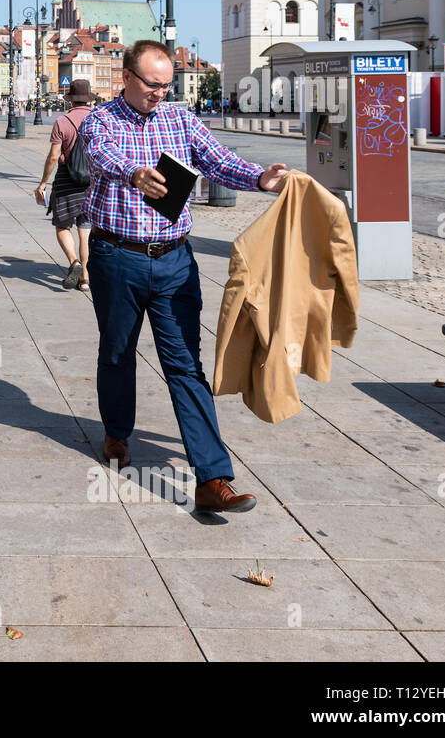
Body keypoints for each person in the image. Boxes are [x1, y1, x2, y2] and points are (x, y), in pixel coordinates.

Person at [80, 39, 289, 515]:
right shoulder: (102, 120)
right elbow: (100, 154)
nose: (160, 94)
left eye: (166, 85)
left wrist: (259, 178)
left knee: (185, 366)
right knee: (116, 352)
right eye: (153, 85)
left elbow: (218, 159)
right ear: (127, 79)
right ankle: (116, 431)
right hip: (117, 256)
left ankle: (214, 478)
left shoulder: (179, 120)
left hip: (175, 261)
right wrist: (135, 173)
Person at [34, 79, 95, 290]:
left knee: (62, 225)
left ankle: (74, 262)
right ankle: (85, 279)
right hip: (92, 183)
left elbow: (53, 156)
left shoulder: (63, 121)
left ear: (70, 100)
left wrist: (43, 183)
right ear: (89, 99)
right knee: (85, 229)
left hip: (67, 180)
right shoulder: (98, 119)